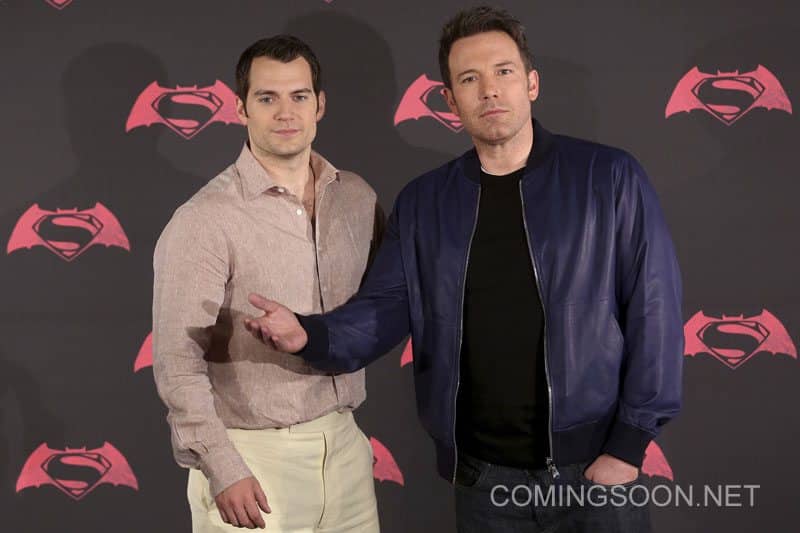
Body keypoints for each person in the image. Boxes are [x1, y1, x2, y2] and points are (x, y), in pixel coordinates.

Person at [245, 6, 683, 532]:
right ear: (451, 100)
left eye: (503, 72)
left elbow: (654, 312)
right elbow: (384, 311)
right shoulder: (426, 202)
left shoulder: (609, 178)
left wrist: (628, 447)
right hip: (484, 483)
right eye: (469, 79)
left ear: (532, 83)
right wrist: (308, 334)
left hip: (595, 474)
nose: (490, 90)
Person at [152, 35, 383, 532]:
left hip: (345, 450)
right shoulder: (204, 219)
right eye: (267, 98)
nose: (285, 112)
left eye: (299, 96)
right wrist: (222, 466)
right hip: (253, 460)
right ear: (240, 108)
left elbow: (385, 307)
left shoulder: (357, 199)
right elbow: (175, 358)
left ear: (319, 105)